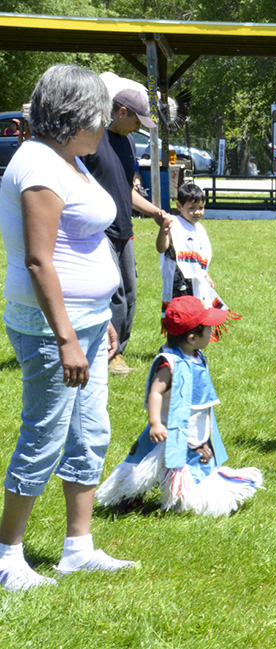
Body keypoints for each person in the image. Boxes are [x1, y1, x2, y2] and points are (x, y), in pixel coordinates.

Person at [0, 63, 135, 591]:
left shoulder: (66, 158)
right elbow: (39, 261)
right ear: (74, 118)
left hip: (87, 320)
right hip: (52, 325)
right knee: (45, 432)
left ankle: (78, 548)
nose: (102, 129)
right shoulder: (38, 166)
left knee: (90, 430)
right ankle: (8, 556)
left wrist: (99, 319)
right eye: (98, 119)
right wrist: (65, 338)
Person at [95, 297, 263, 516]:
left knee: (191, 461)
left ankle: (181, 496)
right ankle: (131, 496)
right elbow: (156, 391)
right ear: (192, 338)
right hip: (168, 427)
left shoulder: (194, 355)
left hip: (194, 426)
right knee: (144, 466)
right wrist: (155, 423)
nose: (212, 332)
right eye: (208, 330)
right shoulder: (169, 362)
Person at [81, 88, 169, 377]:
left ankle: (120, 347)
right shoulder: (93, 142)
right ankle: (110, 354)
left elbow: (128, 190)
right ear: (121, 112)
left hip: (125, 230)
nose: (138, 127)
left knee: (129, 293)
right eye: (136, 120)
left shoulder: (129, 142)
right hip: (100, 231)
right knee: (115, 293)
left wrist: (154, 211)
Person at [156, 183, 235, 328]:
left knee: (196, 312)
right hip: (178, 280)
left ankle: (192, 342)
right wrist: (164, 230)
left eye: (200, 208)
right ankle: (177, 343)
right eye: (191, 208)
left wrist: (206, 275)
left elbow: (199, 256)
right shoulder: (174, 224)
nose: (197, 212)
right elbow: (162, 247)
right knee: (180, 313)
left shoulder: (200, 229)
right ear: (179, 206)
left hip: (196, 280)